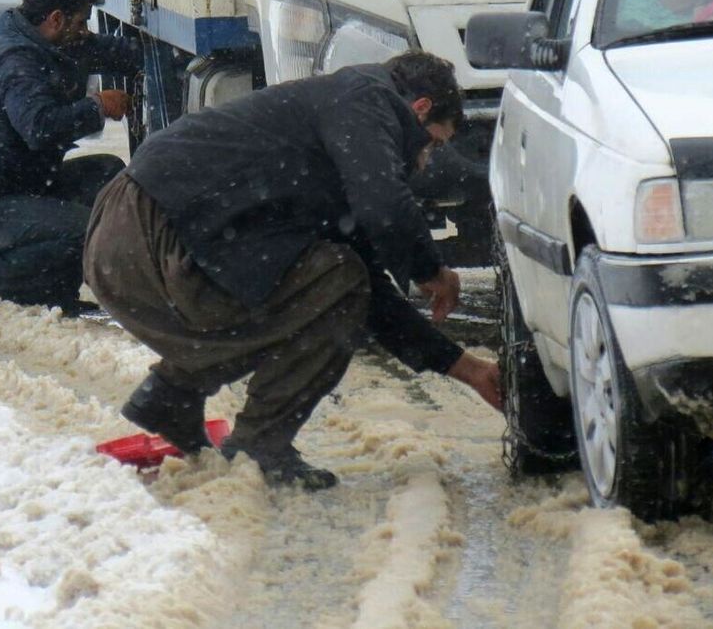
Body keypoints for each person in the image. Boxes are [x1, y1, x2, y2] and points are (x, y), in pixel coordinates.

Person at [83, 52, 503, 490]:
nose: (427, 160)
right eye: (434, 143)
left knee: (327, 290)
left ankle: (173, 397)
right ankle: (259, 443)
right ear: (420, 109)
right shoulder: (366, 97)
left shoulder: (341, 117)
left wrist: (469, 370)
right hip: (149, 233)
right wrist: (429, 268)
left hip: (126, 243)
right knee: (337, 285)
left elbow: (374, 300)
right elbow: (385, 207)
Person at [0, 0, 141, 313]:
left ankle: (99, 282)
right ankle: (20, 293)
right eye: (82, 20)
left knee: (109, 176)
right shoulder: (16, 60)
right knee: (85, 229)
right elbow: (39, 129)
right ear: (56, 19)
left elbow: (108, 51)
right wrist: (98, 106)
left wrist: (146, 55)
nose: (86, 30)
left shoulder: (51, 39)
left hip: (25, 184)